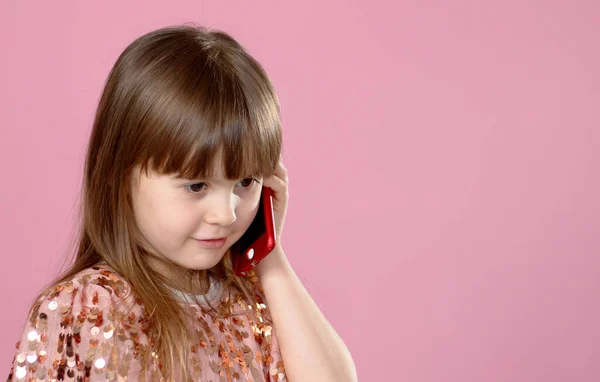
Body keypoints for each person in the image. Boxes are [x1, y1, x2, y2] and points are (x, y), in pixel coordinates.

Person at [6, 24, 357, 382]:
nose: (227, 213)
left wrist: (270, 256)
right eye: (197, 186)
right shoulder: (86, 307)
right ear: (119, 176)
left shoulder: (254, 299)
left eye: (246, 182)